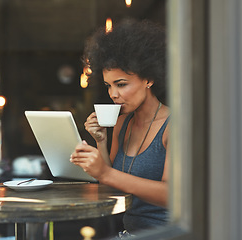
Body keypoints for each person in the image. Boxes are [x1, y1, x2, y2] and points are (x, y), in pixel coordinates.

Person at [70, 19, 170, 235]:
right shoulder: (122, 124)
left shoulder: (174, 126)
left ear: (149, 79)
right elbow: (113, 188)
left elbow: (171, 195)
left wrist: (104, 172)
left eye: (121, 84)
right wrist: (101, 141)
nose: (113, 94)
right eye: (109, 86)